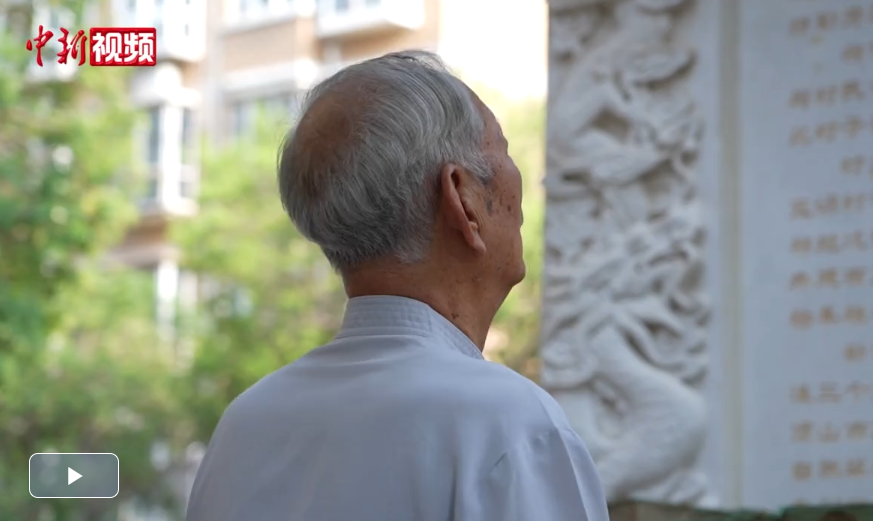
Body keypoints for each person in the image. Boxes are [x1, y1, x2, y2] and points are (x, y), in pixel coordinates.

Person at [186, 50, 609, 521]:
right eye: (504, 150)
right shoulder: (510, 427)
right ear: (463, 198)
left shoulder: (244, 428)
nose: (522, 178)